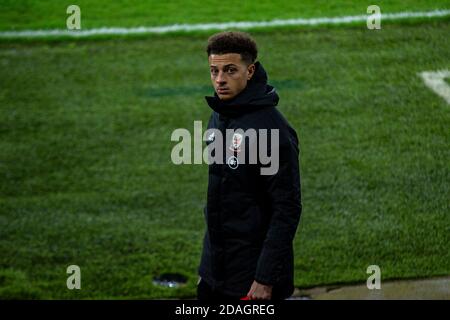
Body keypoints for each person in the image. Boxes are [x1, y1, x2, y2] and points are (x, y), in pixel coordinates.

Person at [197, 31, 302, 301]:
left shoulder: (273, 130)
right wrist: (207, 268)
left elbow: (286, 210)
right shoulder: (219, 114)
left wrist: (265, 280)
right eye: (214, 70)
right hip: (215, 272)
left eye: (230, 70)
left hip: (251, 280)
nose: (220, 80)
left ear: (250, 70)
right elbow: (222, 197)